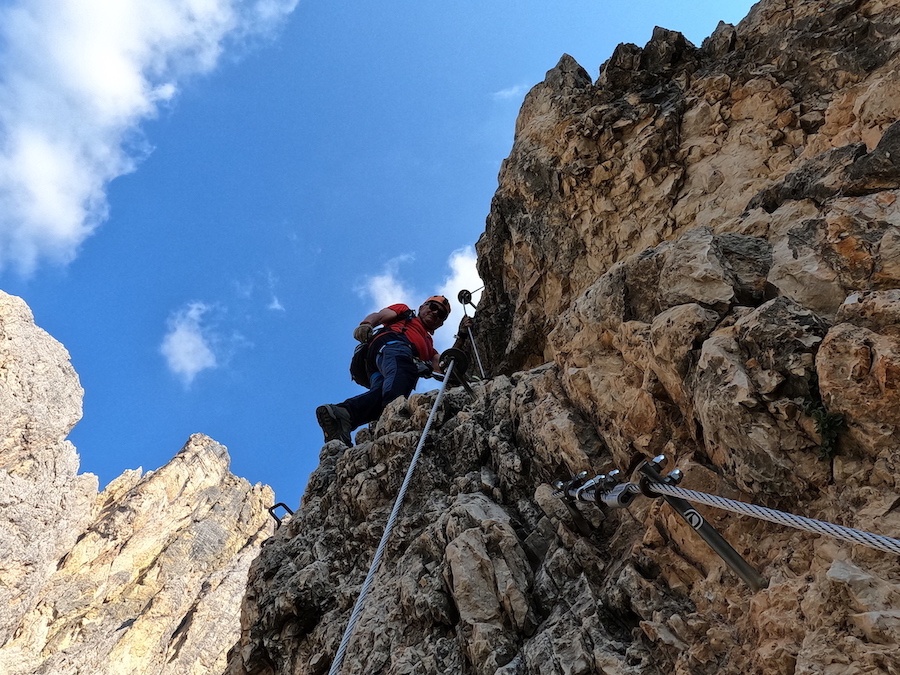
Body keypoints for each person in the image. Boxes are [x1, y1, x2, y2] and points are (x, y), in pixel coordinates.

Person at [316, 295, 472, 446]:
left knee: (381, 396)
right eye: (432, 307)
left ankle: (342, 414)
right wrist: (367, 324)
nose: (435, 312)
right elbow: (380, 315)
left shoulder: (429, 346)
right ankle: (393, 418)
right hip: (393, 347)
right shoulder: (405, 314)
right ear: (422, 307)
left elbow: (444, 367)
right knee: (403, 376)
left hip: (379, 362)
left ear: (440, 324)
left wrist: (462, 336)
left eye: (441, 314)